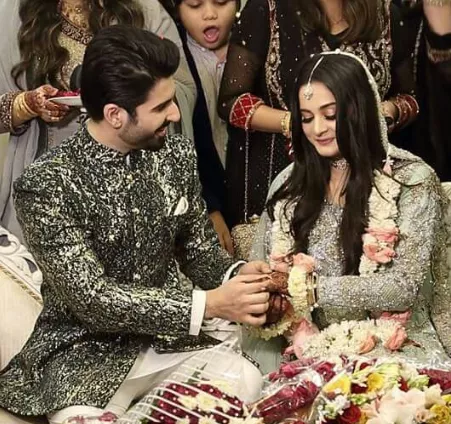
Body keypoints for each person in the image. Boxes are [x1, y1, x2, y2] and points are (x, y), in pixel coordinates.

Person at [0, 26, 271, 424]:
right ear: (115, 115)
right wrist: (209, 304)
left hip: (166, 344)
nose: (175, 114)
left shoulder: (175, 154)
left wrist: (240, 277)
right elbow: (92, 299)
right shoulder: (47, 184)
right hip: (84, 356)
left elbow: (200, 253)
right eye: (161, 107)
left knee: (247, 381)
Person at [249, 51, 451, 367]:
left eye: (330, 115)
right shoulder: (289, 184)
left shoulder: (410, 181)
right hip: (309, 349)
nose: (317, 129)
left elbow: (402, 288)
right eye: (306, 118)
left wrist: (310, 289)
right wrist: (268, 299)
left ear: (360, 110)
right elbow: (265, 272)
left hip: (396, 349)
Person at [217, 0, 423, 244]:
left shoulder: (385, 13)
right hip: (284, 176)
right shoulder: (266, 9)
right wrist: (299, 123)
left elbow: (410, 99)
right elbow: (231, 102)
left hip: (366, 183)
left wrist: (379, 113)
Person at [0, 0, 197, 241]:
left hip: (135, 184)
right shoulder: (13, 14)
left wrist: (137, 92)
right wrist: (27, 105)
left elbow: (183, 89)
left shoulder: (144, 7)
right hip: (53, 190)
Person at [171, 0, 240, 255]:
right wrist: (209, 205)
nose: (209, 14)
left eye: (221, 2)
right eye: (195, 5)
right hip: (205, 194)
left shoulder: (256, 45)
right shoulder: (175, 58)